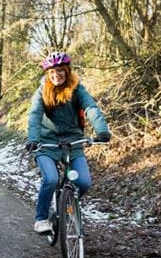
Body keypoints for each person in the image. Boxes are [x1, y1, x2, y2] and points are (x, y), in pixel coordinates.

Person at [25, 52, 111, 233]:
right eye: (52, 72)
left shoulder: (77, 88)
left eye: (60, 71)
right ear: (48, 74)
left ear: (67, 71)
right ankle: (41, 219)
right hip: (46, 142)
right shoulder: (42, 90)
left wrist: (101, 130)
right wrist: (33, 139)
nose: (57, 75)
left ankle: (66, 206)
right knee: (51, 179)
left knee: (84, 182)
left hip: (73, 141)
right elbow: (34, 115)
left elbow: (90, 107)